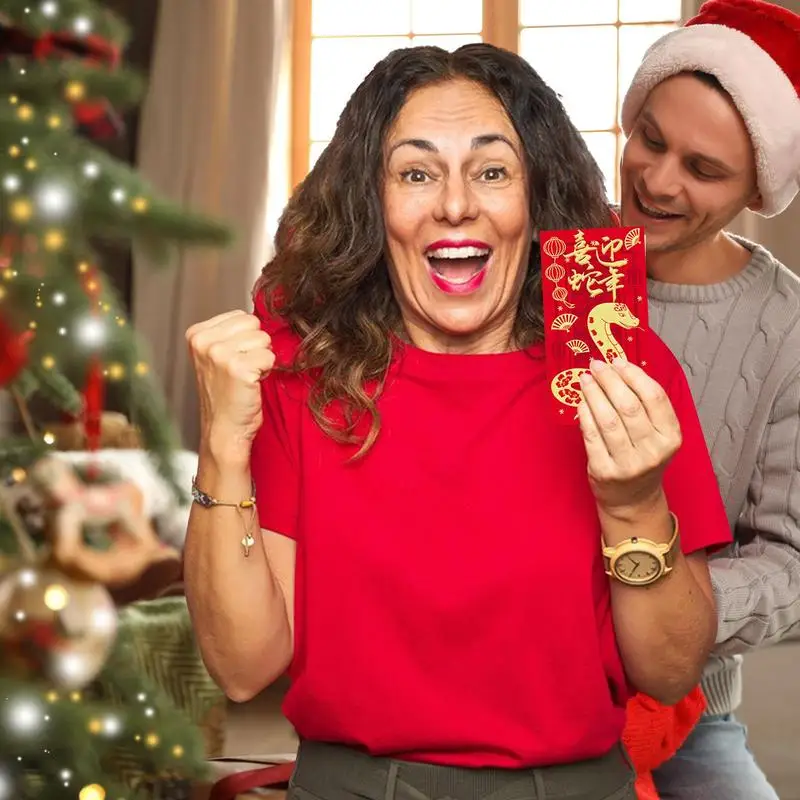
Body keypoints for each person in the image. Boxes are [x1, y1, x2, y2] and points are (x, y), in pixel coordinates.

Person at [184, 44, 732, 800]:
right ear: (371, 204)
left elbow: (669, 673)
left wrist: (634, 504)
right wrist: (221, 447)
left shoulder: (626, 371)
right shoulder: (300, 372)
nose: (454, 204)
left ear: (535, 199)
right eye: (416, 172)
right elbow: (242, 667)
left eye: (492, 170)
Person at [619, 1, 800, 798]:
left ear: (757, 184)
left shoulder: (787, 329)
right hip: (519, 686)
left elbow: (792, 562)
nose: (657, 180)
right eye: (650, 139)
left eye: (702, 168)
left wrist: (661, 609)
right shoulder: (546, 263)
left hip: (687, 713)